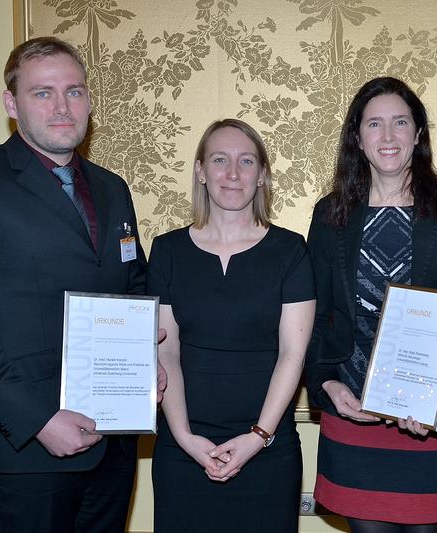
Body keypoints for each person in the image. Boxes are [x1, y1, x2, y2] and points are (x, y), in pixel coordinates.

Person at [0, 37, 156, 532]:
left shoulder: (113, 188)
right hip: (31, 445)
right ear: (12, 104)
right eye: (42, 93)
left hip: (114, 437)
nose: (61, 107)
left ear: (90, 100)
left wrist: (146, 359)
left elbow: (133, 286)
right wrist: (40, 420)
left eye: (74, 92)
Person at [306, 76, 437, 532]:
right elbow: (313, 316)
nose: (388, 136)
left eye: (400, 122)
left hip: (431, 416)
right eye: (375, 124)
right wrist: (325, 385)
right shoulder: (330, 214)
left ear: (418, 134)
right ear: (357, 137)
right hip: (352, 414)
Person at [148, 118, 315, 533]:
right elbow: (165, 350)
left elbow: (293, 355)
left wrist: (258, 437)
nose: (233, 173)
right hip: (181, 449)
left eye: (246, 161)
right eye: (220, 160)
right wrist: (184, 437)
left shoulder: (291, 251)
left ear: (262, 176)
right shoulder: (166, 250)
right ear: (201, 171)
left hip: (267, 448)